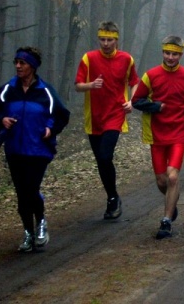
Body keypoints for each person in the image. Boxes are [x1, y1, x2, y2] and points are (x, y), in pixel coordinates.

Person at [0, 46, 70, 252]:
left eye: (22, 63)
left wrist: (51, 129)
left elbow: (62, 114)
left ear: (32, 66)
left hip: (38, 149)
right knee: (21, 193)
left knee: (31, 188)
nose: (17, 66)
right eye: (16, 62)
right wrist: (1, 120)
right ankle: (27, 232)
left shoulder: (45, 92)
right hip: (14, 148)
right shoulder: (9, 89)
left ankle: (40, 223)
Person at [132, 35, 184, 239]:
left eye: (174, 54)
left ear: (181, 54)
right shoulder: (151, 75)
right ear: (162, 52)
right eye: (167, 53)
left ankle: (165, 221)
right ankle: (172, 204)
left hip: (179, 130)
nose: (170, 57)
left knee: (173, 176)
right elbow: (136, 100)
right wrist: (155, 106)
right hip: (157, 132)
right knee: (162, 180)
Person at [75, 21, 139, 220]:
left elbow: (135, 82)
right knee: (101, 161)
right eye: (102, 39)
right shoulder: (89, 58)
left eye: (109, 40)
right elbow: (77, 86)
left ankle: (112, 199)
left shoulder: (126, 59)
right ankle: (113, 196)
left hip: (116, 114)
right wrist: (91, 85)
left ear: (116, 40)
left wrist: (132, 101)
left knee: (105, 156)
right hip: (94, 117)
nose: (105, 43)